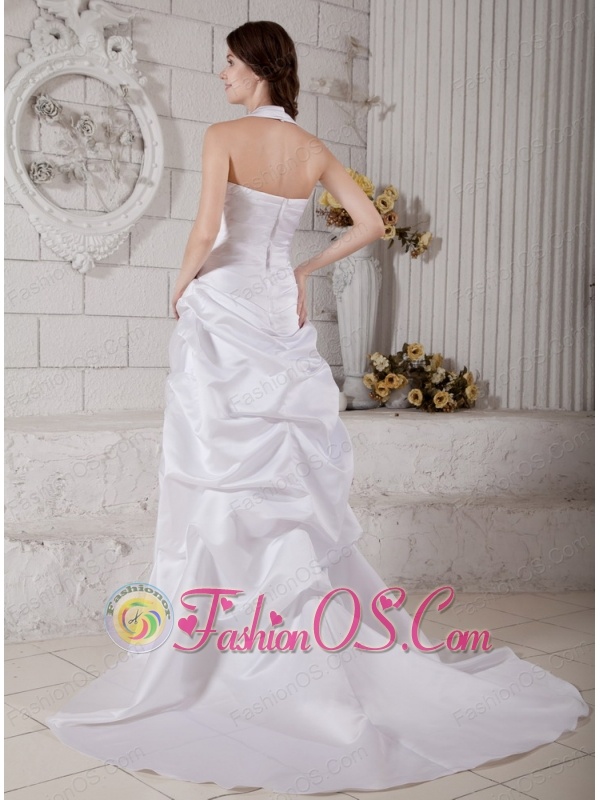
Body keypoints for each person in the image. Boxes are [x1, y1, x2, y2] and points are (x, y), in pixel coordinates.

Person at [46, 20, 590, 794]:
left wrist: (180, 285)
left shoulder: (223, 136)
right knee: (285, 484)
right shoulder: (310, 149)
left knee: (217, 472)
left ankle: (214, 643)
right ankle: (290, 643)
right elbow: (372, 224)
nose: (223, 76)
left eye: (229, 64)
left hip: (226, 306)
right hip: (277, 309)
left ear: (257, 68)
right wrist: (304, 271)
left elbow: (205, 229)